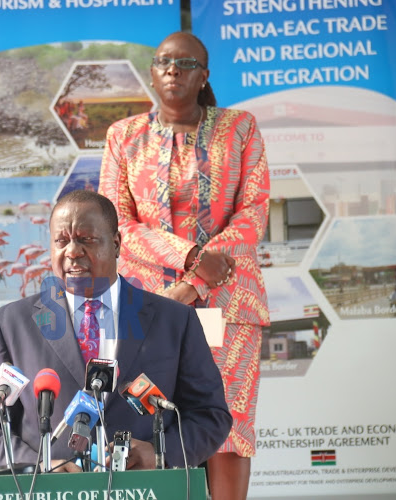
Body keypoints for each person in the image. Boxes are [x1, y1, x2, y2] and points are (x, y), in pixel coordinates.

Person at [98, 31, 270, 500]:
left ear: (204, 75)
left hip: (226, 307)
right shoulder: (123, 136)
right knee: (145, 418)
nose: (173, 70)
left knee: (227, 426)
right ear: (152, 73)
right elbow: (116, 224)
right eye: (164, 62)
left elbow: (254, 212)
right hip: (149, 307)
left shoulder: (240, 129)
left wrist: (194, 285)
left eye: (186, 62)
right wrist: (191, 257)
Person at [0, 190, 232, 471]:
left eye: (86, 239)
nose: (72, 251)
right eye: (61, 241)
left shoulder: (176, 320)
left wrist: (159, 454)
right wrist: (40, 466)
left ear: (116, 244)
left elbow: (210, 415)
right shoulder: (10, 324)